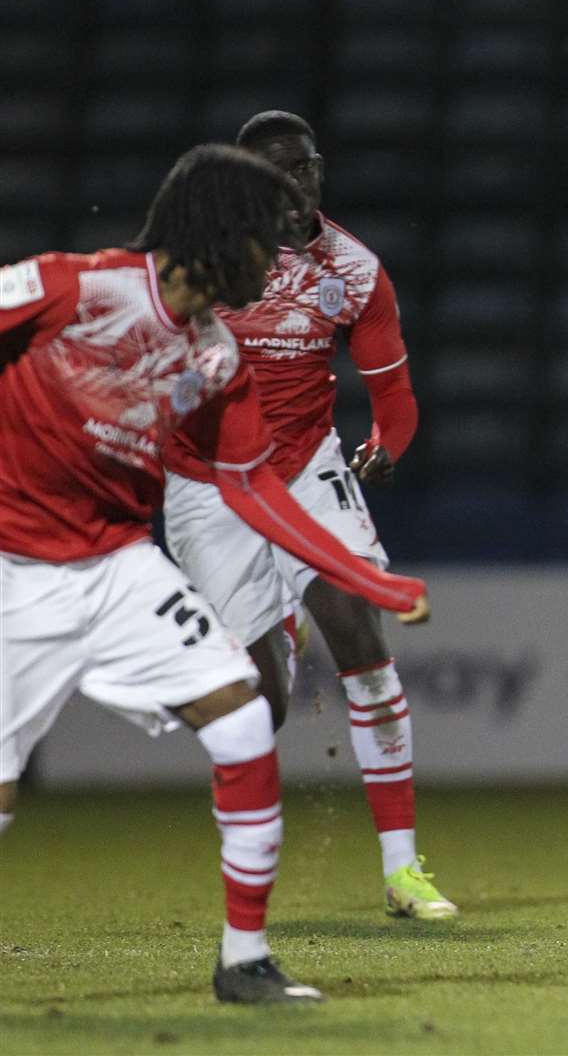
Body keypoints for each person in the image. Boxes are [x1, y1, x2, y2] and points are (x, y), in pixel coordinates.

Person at [0, 144, 428, 1002]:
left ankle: (243, 961)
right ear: (220, 236)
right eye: (264, 246)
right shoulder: (70, 287)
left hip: (120, 564)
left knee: (240, 714)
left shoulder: (216, 357)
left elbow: (253, 487)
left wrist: (371, 581)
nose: (275, 265)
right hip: (20, 571)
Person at [162, 112, 455, 919]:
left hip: (306, 469)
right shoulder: (199, 262)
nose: (296, 183)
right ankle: (270, 636)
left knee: (362, 641)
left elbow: (394, 397)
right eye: (275, 170)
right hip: (208, 485)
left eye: (307, 167)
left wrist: (388, 444)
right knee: (265, 705)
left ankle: (402, 870)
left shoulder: (354, 272)